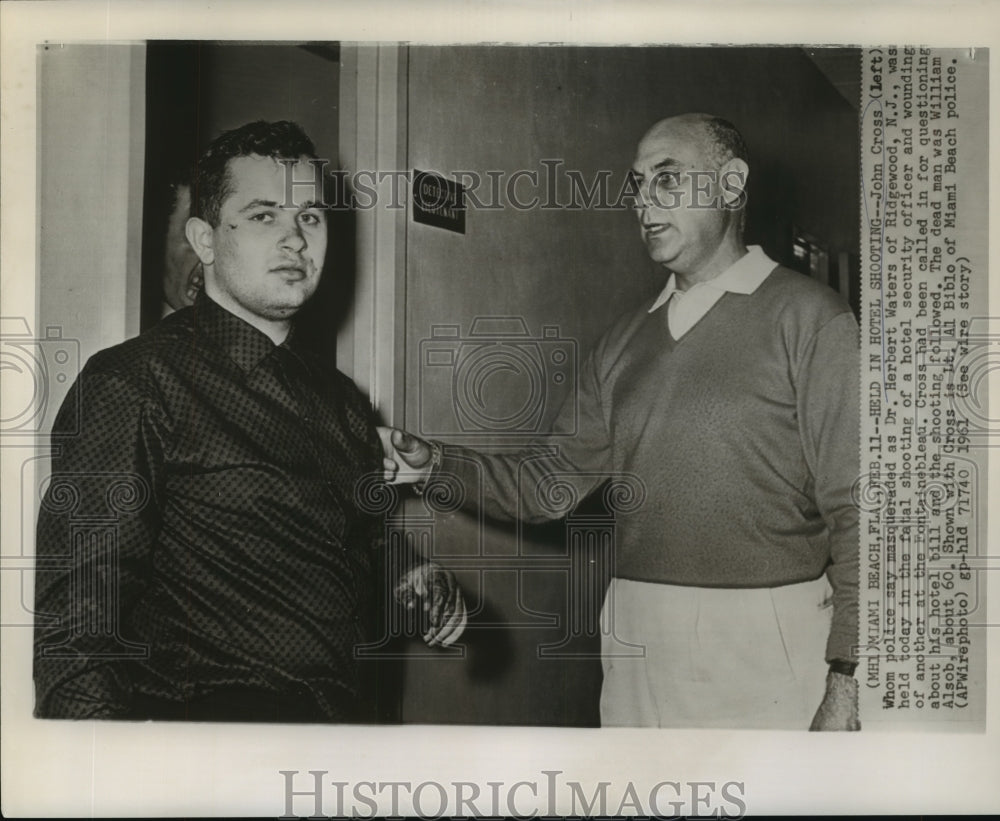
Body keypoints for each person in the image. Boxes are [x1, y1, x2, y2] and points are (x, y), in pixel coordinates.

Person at [381, 113, 860, 730]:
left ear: (732, 186)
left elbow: (861, 511)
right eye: (637, 185)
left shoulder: (812, 318)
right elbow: (548, 483)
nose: (643, 202)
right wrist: (439, 463)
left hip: (767, 636)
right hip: (636, 628)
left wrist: (849, 675)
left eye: (667, 179)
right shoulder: (624, 340)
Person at [33, 120, 466, 723]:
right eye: (263, 216)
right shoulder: (133, 384)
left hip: (334, 735)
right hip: (204, 743)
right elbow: (78, 620)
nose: (295, 239)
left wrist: (408, 572)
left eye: (310, 217)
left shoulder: (339, 399)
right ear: (205, 240)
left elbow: (339, 535)